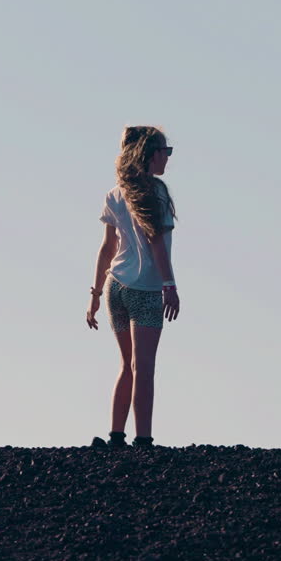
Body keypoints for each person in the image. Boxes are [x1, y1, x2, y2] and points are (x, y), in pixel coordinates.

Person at [86, 125, 180, 450]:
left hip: (116, 287)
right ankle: (143, 440)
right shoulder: (157, 193)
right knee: (145, 368)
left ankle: (116, 436)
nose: (167, 158)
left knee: (127, 364)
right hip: (146, 288)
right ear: (151, 154)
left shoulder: (114, 194)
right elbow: (157, 244)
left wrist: (95, 295)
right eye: (165, 152)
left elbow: (106, 248)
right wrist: (170, 284)